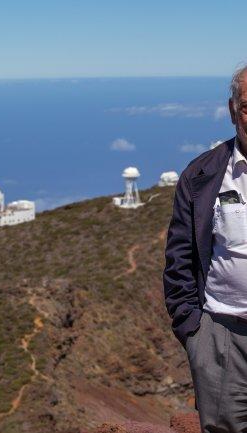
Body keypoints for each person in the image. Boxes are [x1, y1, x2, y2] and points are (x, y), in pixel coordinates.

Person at [163, 64, 247, 433]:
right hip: (222, 336)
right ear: (232, 111)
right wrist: (194, 331)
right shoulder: (202, 176)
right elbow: (179, 257)